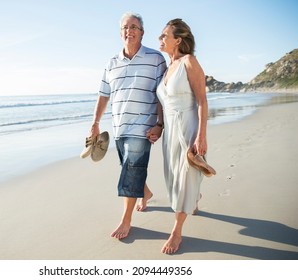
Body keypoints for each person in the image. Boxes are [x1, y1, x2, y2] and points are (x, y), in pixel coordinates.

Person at [88, 12, 167, 239]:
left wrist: (160, 124)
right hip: (119, 126)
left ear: (142, 32)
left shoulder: (155, 59)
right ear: (120, 32)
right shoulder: (111, 63)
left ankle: (126, 220)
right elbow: (103, 95)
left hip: (144, 126)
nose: (129, 30)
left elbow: (161, 95)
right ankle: (146, 192)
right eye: (125, 27)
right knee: (130, 167)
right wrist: (94, 123)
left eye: (134, 27)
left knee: (132, 169)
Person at [154, 18, 209, 254]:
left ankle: (176, 232)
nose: (160, 39)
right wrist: (159, 126)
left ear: (178, 40)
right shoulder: (167, 68)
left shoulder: (189, 61)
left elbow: (202, 100)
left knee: (185, 177)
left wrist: (201, 136)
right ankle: (193, 197)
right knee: (173, 177)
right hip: (170, 132)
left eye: (164, 35)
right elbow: (163, 104)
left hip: (187, 127)